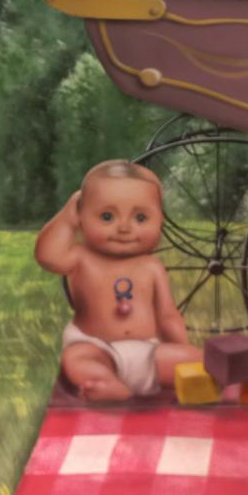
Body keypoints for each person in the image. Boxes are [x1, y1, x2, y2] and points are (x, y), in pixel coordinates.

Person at [35, 160, 202, 402]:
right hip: (95, 346)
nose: (124, 228)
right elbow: (47, 257)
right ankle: (105, 384)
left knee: (200, 360)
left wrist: (181, 349)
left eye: (141, 218)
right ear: (81, 217)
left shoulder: (151, 267)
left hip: (148, 351)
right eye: (107, 216)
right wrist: (68, 215)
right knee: (77, 359)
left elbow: (168, 315)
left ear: (160, 221)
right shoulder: (82, 257)